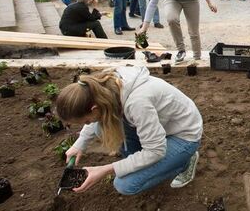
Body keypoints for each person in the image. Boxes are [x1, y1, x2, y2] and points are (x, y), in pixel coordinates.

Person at [55, 67, 202, 195]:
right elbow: (95, 122)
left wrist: (105, 169)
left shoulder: (138, 103)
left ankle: (184, 162)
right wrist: (79, 144)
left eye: (87, 121)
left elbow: (155, 151)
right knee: (100, 129)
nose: (88, 124)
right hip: (162, 127)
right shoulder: (100, 88)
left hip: (183, 135)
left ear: (94, 108)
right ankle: (154, 163)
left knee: (125, 184)